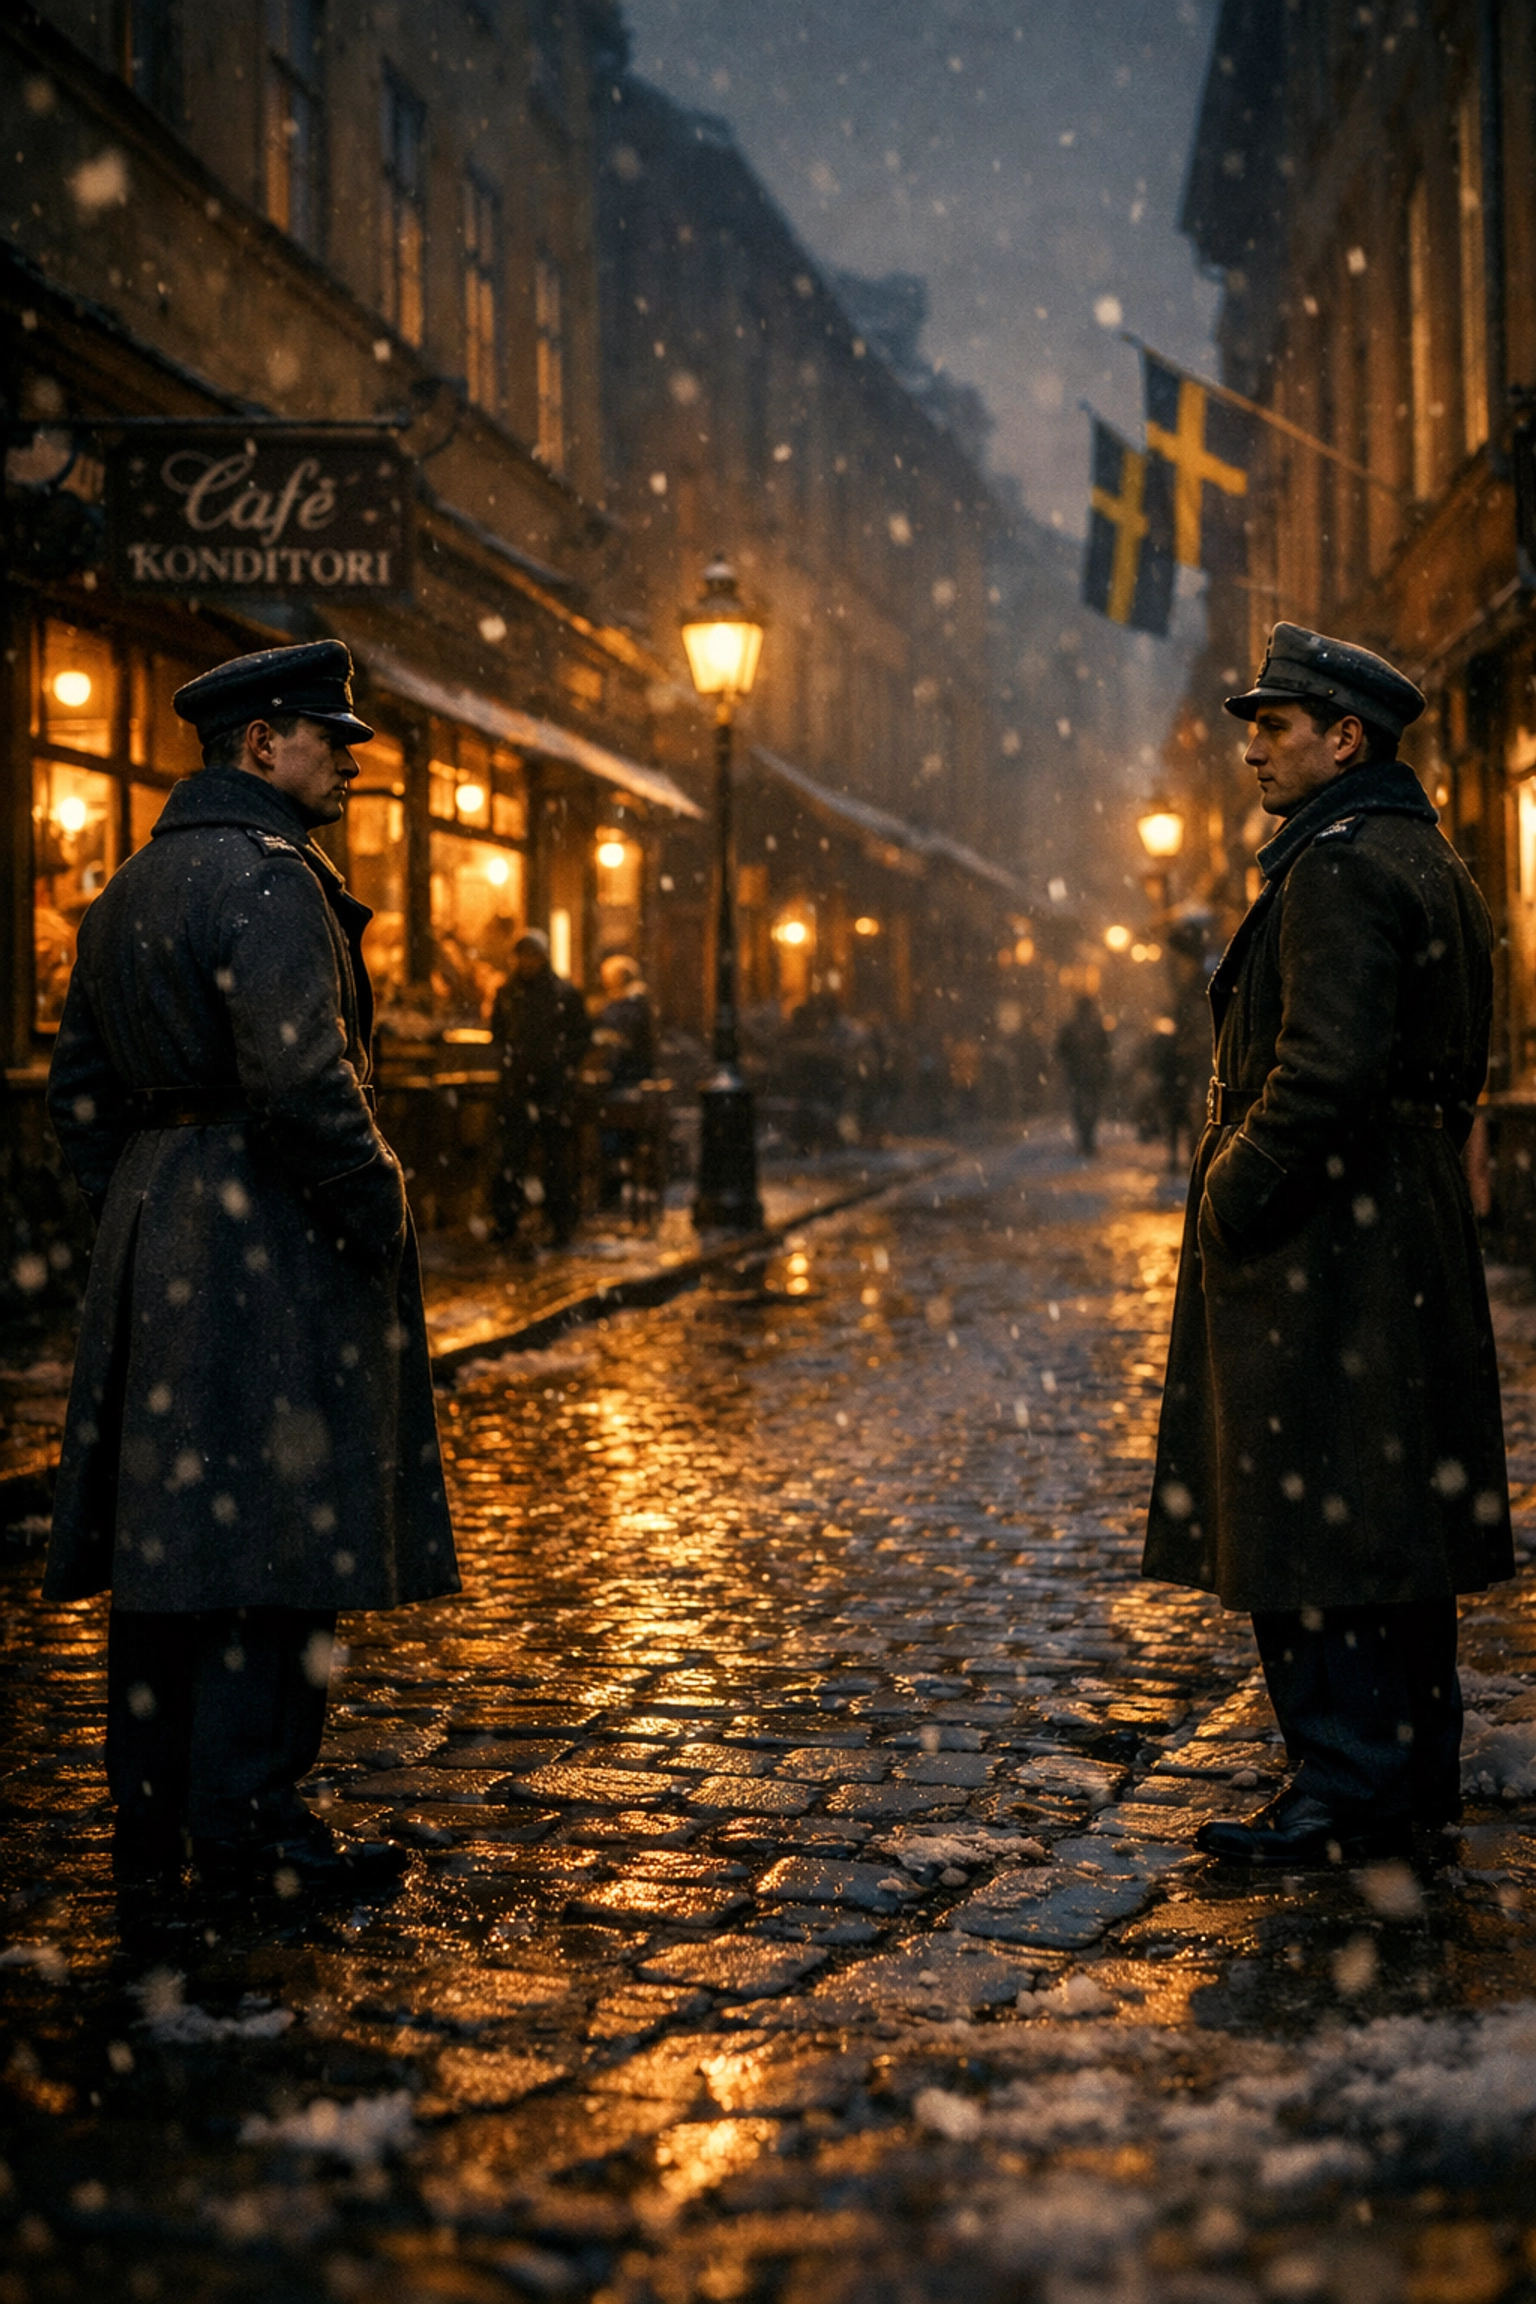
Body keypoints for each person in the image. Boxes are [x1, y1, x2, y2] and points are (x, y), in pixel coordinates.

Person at [44, 640, 460, 1896]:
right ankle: (254, 1834)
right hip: (265, 1240)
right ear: (261, 742)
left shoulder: (126, 890)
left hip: (160, 1235)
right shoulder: (273, 879)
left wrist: (134, 1216)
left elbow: (75, 1102)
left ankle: (155, 1823)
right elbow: (301, 1079)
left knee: (170, 1555)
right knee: (281, 1540)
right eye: (329, 739)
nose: (347, 761)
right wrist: (375, 1204)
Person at [1144, 624, 1512, 1865]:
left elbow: (1324, 1071)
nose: (1251, 751)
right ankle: (1401, 1779)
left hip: (1328, 1243)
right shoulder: (1426, 854)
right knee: (1391, 1513)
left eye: (1275, 727)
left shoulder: (1341, 867)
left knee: (1316, 1513)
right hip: (1389, 1227)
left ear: (1344, 738)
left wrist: (1234, 1191)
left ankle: (1344, 1788)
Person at [490, 929, 591, 1250]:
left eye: (531, 955)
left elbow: (581, 1036)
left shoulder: (563, 994)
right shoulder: (508, 993)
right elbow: (500, 1034)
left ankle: (560, 1223)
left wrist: (558, 1062)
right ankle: (508, 1222)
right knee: (512, 1158)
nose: (526, 962)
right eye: (521, 955)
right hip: (519, 1089)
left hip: (551, 1088)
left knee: (555, 1160)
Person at [1055, 994, 1113, 1156]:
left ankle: (1084, 1140)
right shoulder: (1097, 1027)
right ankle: (1088, 1141)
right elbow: (1105, 1052)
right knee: (1092, 1108)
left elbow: (1060, 1051)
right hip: (1092, 1075)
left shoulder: (1070, 1028)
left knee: (1079, 1108)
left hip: (1076, 1075)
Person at [592, 953, 656, 1092]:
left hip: (630, 1069)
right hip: (622, 1068)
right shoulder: (615, 1002)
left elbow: (627, 1035)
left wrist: (608, 1037)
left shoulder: (633, 1002)